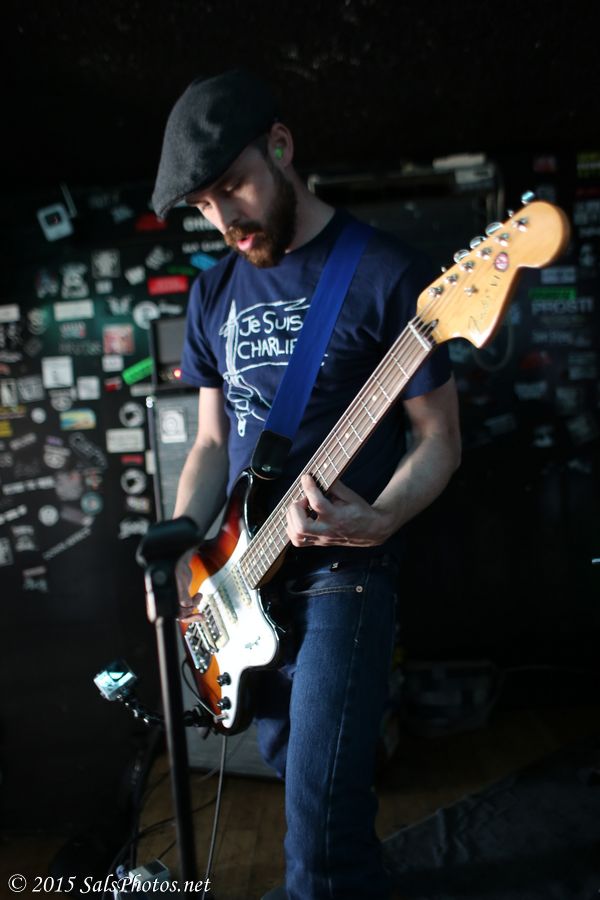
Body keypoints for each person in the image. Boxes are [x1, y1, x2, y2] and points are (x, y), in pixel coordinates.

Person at [152, 69, 461, 900]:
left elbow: (439, 440)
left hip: (343, 573)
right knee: (299, 777)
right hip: (241, 578)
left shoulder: (386, 272)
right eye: (204, 205)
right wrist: (182, 547)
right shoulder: (213, 290)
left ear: (281, 147)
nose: (224, 219)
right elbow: (210, 441)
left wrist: (383, 516)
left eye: (233, 186)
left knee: (320, 825)